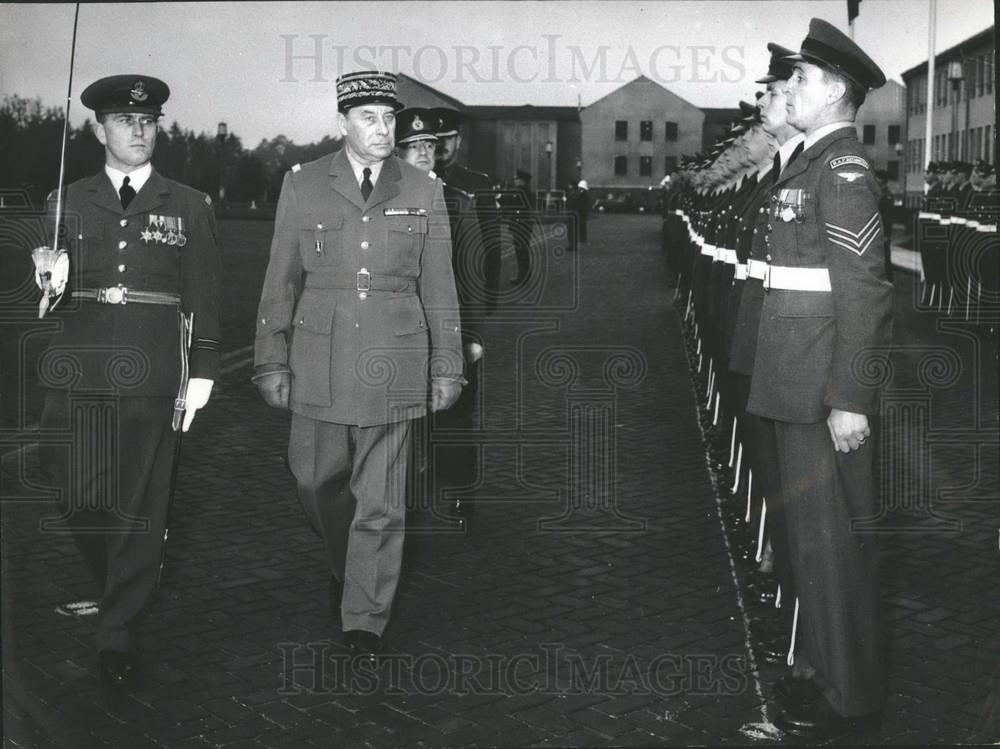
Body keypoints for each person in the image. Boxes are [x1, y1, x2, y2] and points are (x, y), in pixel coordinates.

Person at [253, 72, 464, 660]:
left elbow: (441, 287)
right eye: (368, 117)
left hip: (395, 357)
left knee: (383, 497)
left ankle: (364, 617)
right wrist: (271, 358)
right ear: (343, 121)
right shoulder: (304, 185)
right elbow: (280, 280)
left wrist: (447, 366)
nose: (381, 128)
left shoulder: (422, 188)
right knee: (313, 480)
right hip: (319, 355)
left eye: (388, 118)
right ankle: (347, 562)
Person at [35, 74, 221, 683]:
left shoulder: (188, 204)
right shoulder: (65, 200)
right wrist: (45, 276)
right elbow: (36, 299)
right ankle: (123, 578)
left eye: (149, 120)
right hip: (77, 370)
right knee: (76, 496)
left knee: (141, 507)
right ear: (99, 129)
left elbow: (204, 296)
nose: (139, 130)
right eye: (123, 120)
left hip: (152, 372)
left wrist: (204, 373)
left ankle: (117, 629)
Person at [747, 19, 894, 739]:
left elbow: (865, 291)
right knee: (809, 542)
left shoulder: (842, 171)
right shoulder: (808, 164)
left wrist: (851, 398)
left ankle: (848, 692)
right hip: (790, 379)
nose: (789, 89)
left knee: (832, 546)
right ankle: (816, 668)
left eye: (800, 78)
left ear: (834, 89)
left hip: (819, 390)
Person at [397, 107, 485, 520]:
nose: (424, 153)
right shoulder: (378, 202)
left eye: (429, 145)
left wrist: (473, 335)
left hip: (446, 331)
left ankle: (460, 493)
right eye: (412, 146)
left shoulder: (458, 202)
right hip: (397, 335)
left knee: (454, 417)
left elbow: (472, 275)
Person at [432, 107, 501, 314]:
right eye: (436, 139)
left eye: (449, 138)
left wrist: (490, 293)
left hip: (466, 289)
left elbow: (491, 241)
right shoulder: (417, 181)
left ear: (459, 141)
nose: (442, 145)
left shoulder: (478, 183)